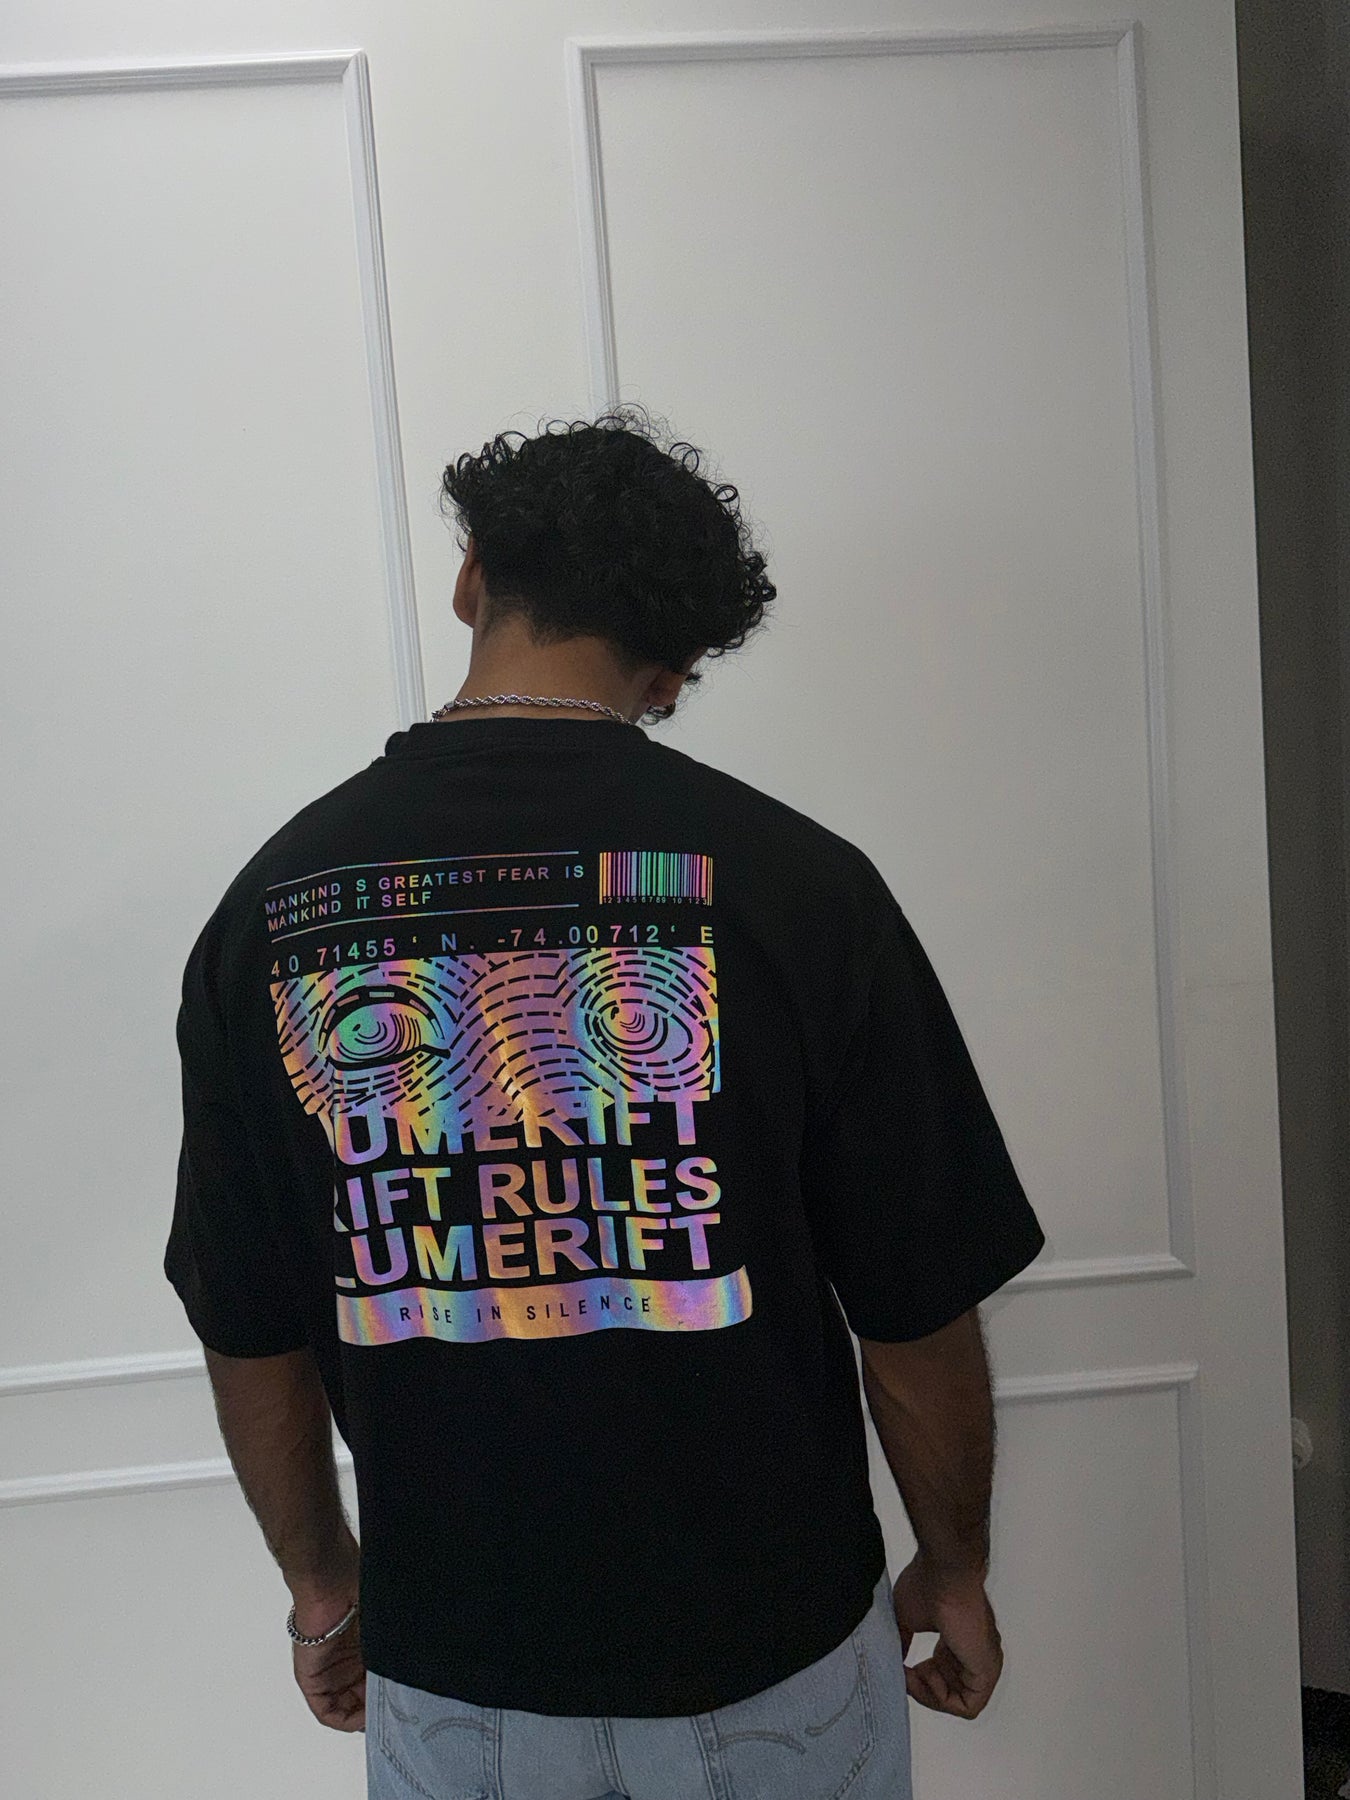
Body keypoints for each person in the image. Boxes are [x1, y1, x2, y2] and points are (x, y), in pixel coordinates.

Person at [165, 401, 1047, 1800]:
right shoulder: (802, 888)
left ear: (472, 580)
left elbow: (248, 1320)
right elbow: (913, 1310)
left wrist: (324, 1588)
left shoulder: (274, 911)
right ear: (675, 671)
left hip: (458, 1664)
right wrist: (954, 1563)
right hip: (770, 1650)